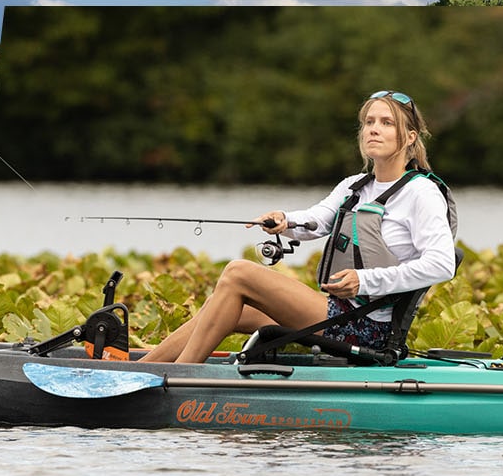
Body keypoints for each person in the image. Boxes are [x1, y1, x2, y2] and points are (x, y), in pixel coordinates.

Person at [141, 90, 456, 363]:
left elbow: (441, 264)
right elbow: (318, 219)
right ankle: (146, 368)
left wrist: (364, 281)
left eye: (386, 123)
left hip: (368, 327)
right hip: (339, 312)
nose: (374, 129)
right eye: (369, 122)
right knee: (227, 306)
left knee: (239, 272)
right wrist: (284, 219)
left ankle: (180, 377)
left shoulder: (420, 193)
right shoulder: (355, 186)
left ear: (410, 137)